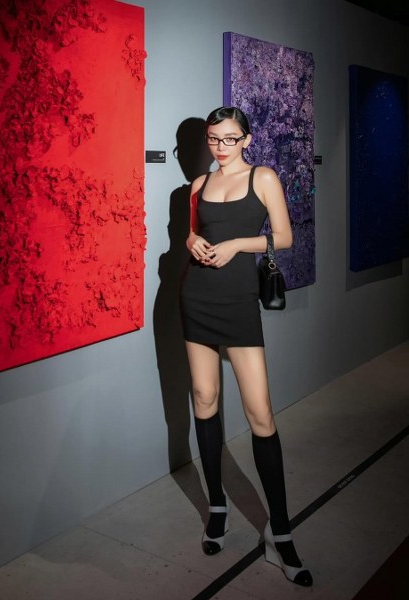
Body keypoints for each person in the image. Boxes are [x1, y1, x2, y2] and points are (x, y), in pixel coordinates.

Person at [180, 106, 312, 587]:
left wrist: (237, 244)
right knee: (204, 398)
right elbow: (193, 233)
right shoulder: (198, 185)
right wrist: (191, 242)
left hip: (238, 300)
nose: (220, 147)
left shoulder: (264, 178)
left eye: (229, 138)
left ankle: (280, 533)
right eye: (213, 138)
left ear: (247, 140)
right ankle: (217, 506)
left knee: (260, 414)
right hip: (197, 295)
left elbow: (285, 237)